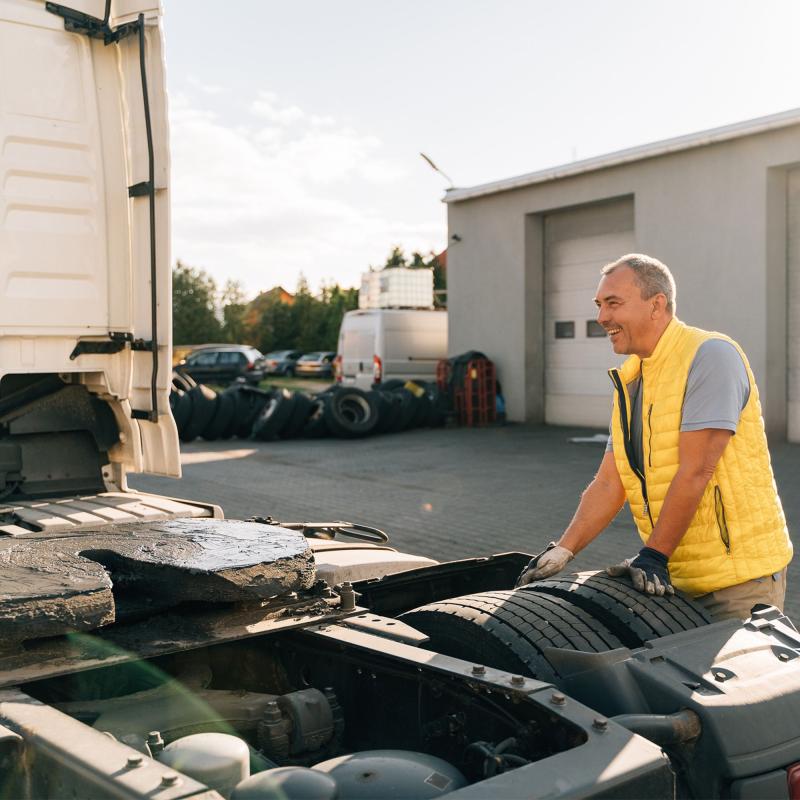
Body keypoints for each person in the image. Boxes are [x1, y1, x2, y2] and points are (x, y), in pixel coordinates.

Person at [517, 254, 792, 620]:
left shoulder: (710, 356)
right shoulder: (632, 377)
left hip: (736, 581)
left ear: (656, 305)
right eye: (599, 305)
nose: (602, 317)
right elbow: (610, 482)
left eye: (613, 303)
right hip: (674, 577)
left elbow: (696, 470)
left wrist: (653, 554)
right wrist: (564, 549)